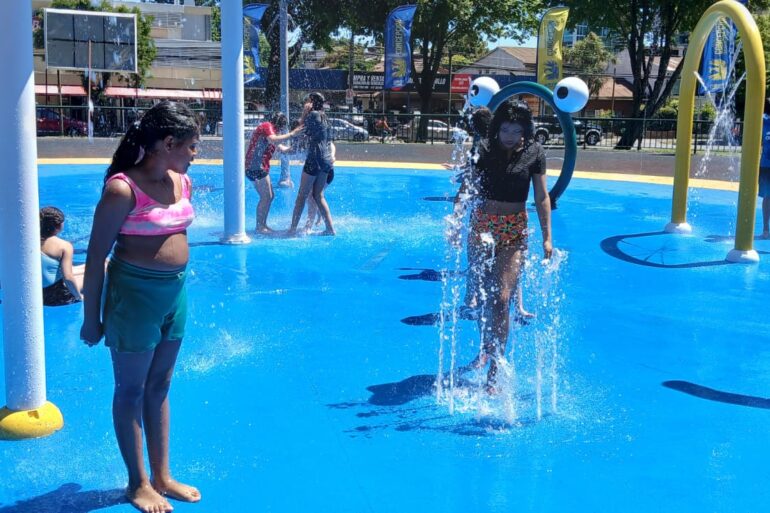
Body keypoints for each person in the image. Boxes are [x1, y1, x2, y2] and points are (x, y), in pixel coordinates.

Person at [80, 101, 202, 513]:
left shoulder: (181, 182)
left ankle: (163, 476)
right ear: (167, 143)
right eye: (191, 146)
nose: (194, 153)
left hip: (174, 295)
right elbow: (96, 258)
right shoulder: (121, 189)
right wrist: (91, 319)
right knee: (131, 389)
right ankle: (138, 482)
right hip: (133, 299)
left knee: (161, 385)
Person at [457, 99, 553, 391]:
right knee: (486, 297)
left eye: (516, 129)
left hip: (514, 230)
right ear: (497, 129)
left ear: (525, 129)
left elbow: (541, 196)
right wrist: (457, 216)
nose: (510, 135)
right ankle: (487, 347)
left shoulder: (535, 153)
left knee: (501, 297)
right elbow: (467, 186)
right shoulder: (484, 149)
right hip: (483, 227)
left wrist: (548, 236)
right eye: (505, 129)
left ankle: (496, 368)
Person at [245, 112, 302, 233]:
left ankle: (262, 225)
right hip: (255, 167)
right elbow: (273, 139)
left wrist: (297, 145)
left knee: (269, 196)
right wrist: (292, 134)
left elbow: (283, 149)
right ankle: (260, 226)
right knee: (266, 197)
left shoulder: (271, 133)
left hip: (258, 167)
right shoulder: (267, 126)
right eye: (282, 127)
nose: (282, 130)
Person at [287, 92, 336, 236]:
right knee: (318, 195)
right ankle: (330, 229)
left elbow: (300, 131)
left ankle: (292, 230)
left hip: (315, 158)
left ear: (311, 102)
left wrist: (304, 114)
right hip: (327, 160)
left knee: (302, 195)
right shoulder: (325, 117)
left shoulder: (312, 116)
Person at [40, 206, 84, 306]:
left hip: (31, 291)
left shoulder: (27, 241)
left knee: (88, 267)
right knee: (103, 268)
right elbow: (68, 277)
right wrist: (78, 296)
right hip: (53, 296)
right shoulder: (64, 246)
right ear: (59, 225)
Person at [304, 142, 336, 232]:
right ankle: (319, 217)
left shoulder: (315, 132)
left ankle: (309, 226)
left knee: (313, 196)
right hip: (321, 168)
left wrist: (332, 155)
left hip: (325, 170)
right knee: (313, 196)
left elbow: (331, 144)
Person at [758, 99, 770, 238]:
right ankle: (766, 229)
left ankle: (766, 229)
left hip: (766, 164)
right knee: (767, 196)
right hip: (766, 164)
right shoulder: (763, 120)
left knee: (768, 197)